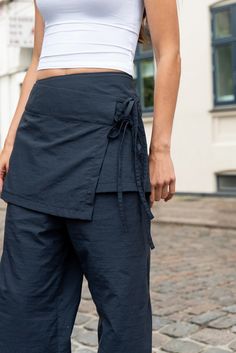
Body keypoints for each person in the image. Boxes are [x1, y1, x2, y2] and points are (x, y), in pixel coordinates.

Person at [0, 0, 181, 352]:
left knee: (121, 300)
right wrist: (11, 139)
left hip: (108, 130)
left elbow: (169, 51)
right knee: (23, 298)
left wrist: (160, 150)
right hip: (39, 132)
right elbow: (38, 59)